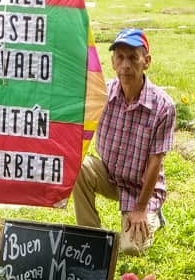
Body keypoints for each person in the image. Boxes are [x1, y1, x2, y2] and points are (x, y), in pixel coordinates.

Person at [72, 28, 176, 256]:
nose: (126, 65)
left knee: (131, 248)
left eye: (133, 57)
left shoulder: (163, 106)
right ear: (112, 62)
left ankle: (152, 214)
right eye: (120, 57)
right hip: (110, 175)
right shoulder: (103, 93)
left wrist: (140, 208)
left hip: (141, 188)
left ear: (146, 62)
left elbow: (155, 162)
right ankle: (90, 236)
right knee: (78, 166)